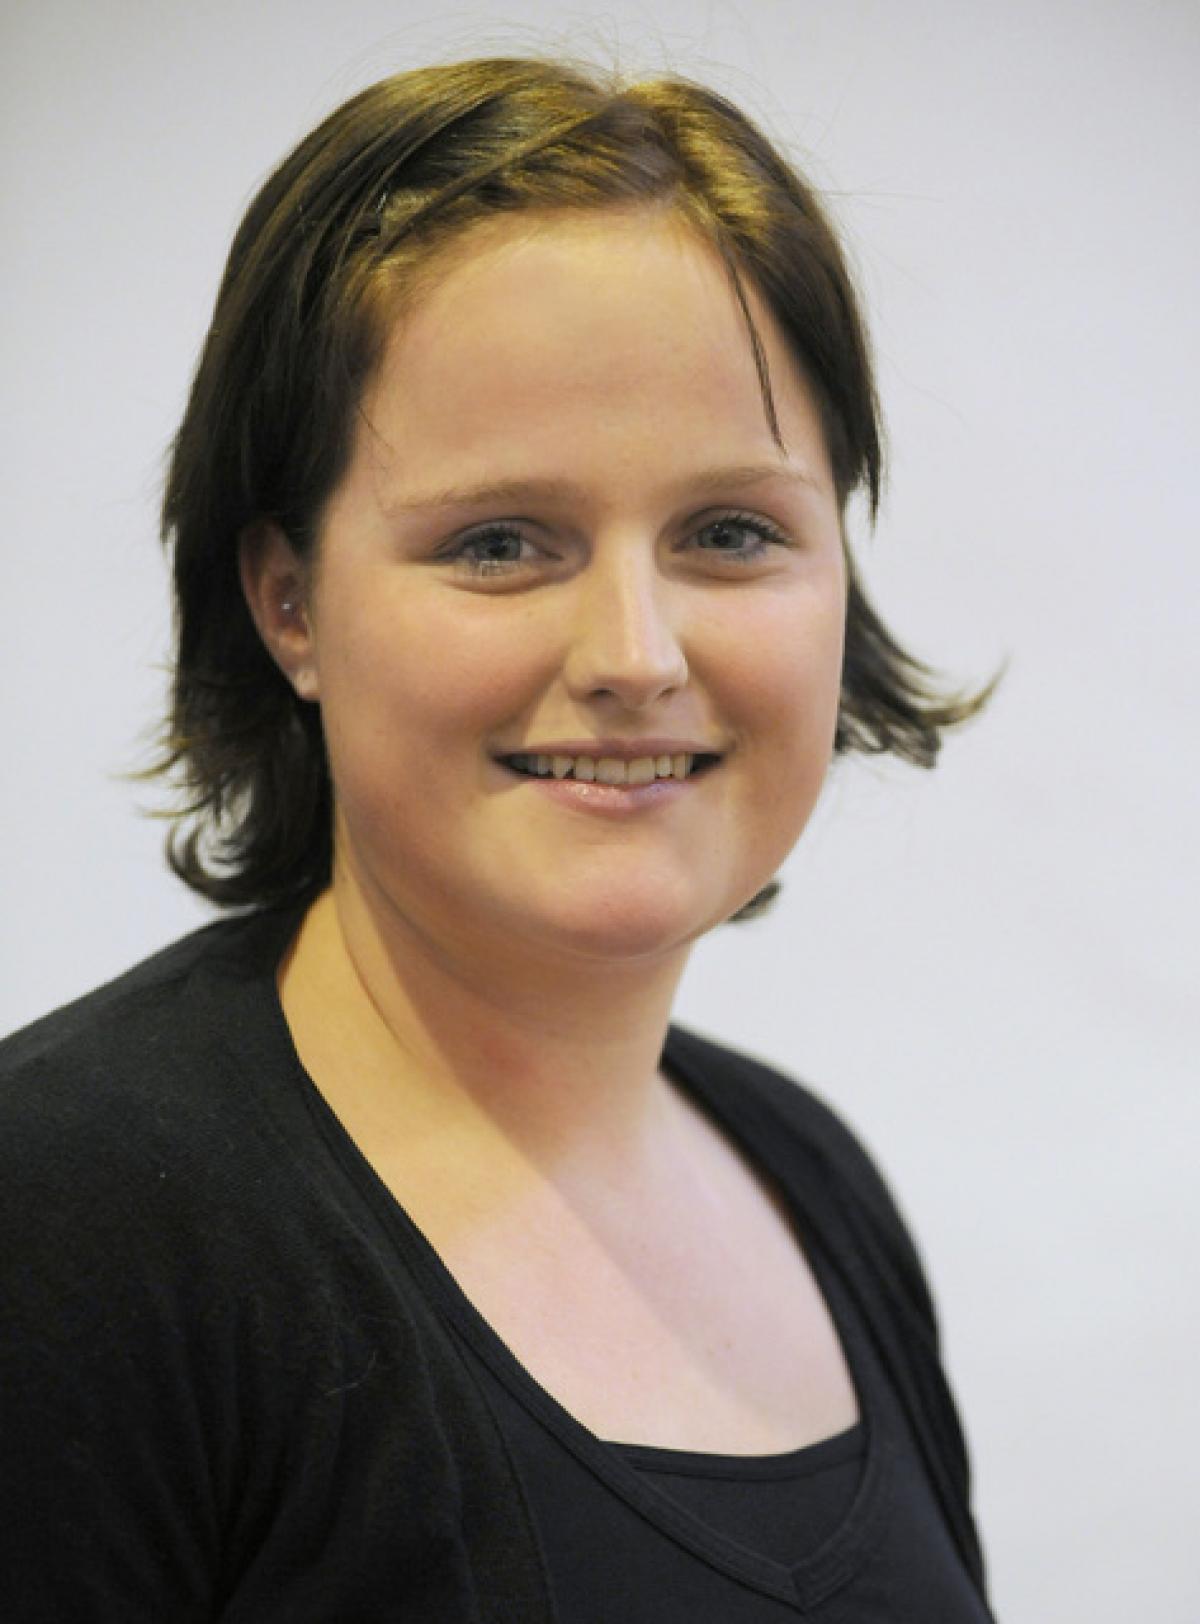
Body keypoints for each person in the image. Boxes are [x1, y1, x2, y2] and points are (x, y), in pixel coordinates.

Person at [0, 54, 999, 1622]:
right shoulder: (66, 1226)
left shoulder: (814, 1184)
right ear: (287, 602)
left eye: (730, 532)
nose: (636, 653)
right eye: (498, 542)